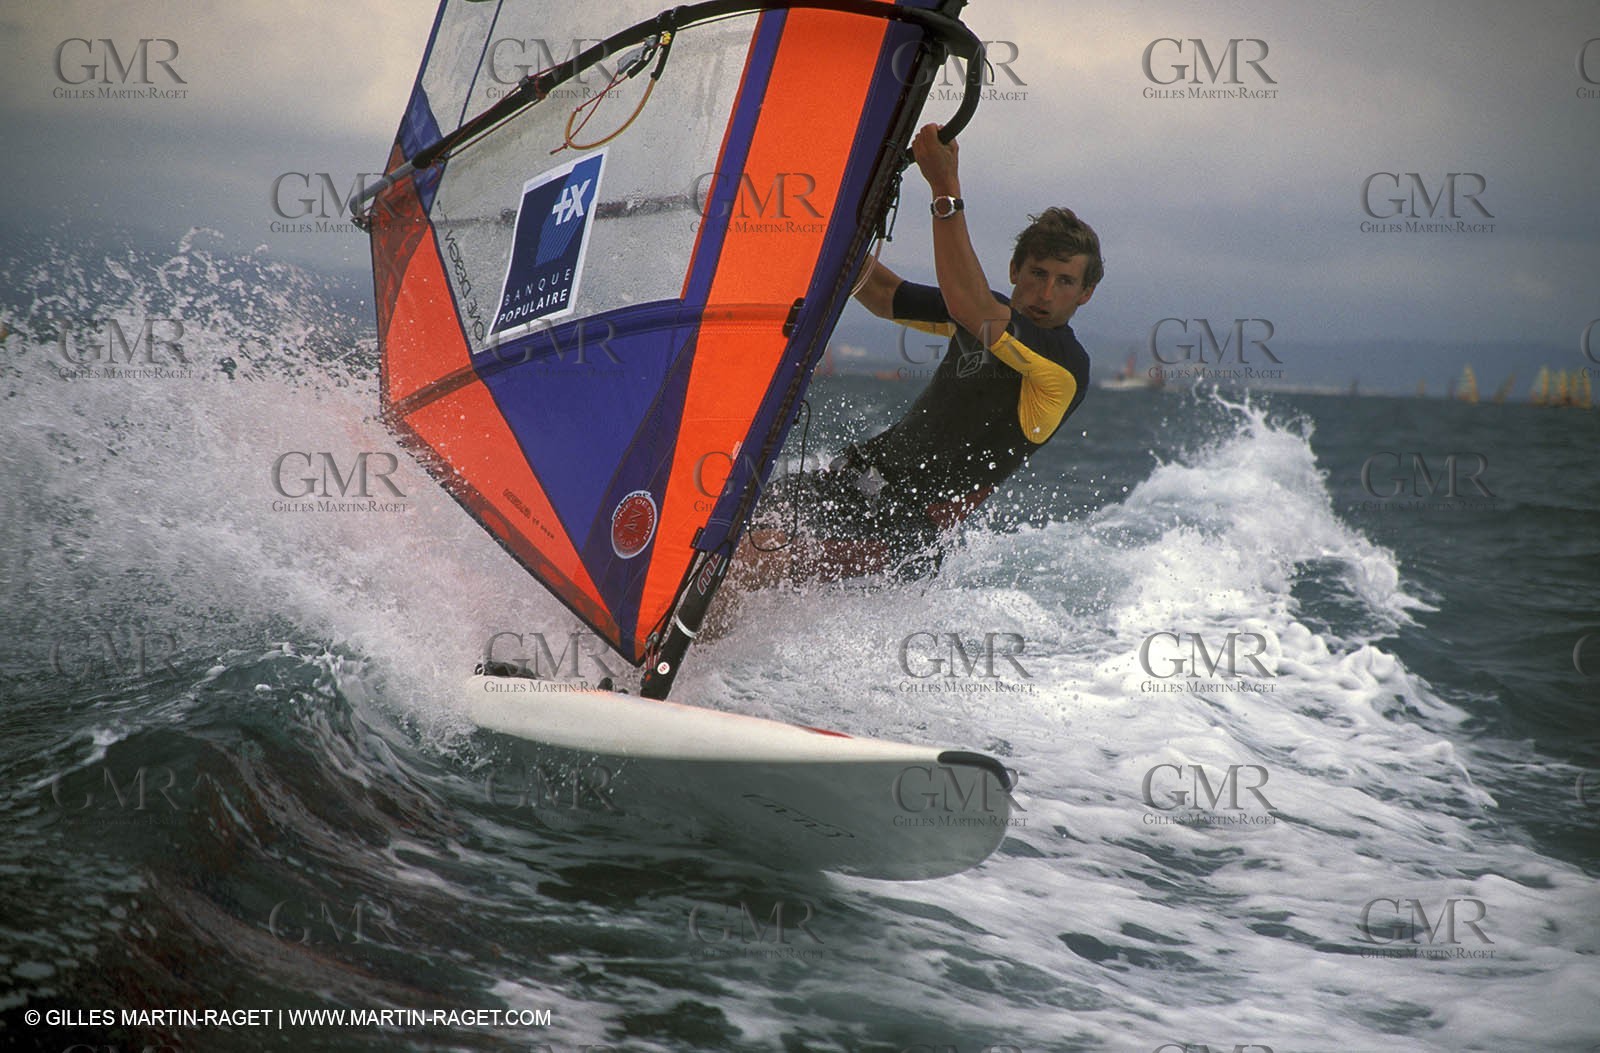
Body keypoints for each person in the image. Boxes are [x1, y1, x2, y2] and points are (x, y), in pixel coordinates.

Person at [736, 123, 1102, 585]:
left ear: (1085, 294)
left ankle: (663, 655)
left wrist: (945, 189)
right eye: (1037, 272)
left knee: (745, 563)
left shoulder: (1062, 365)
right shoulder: (983, 311)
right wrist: (805, 225)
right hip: (848, 483)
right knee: (716, 528)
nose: (1046, 292)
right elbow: (882, 292)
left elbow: (971, 309)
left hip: (901, 532)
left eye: (1065, 282)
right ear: (1015, 269)